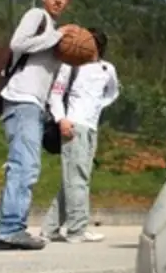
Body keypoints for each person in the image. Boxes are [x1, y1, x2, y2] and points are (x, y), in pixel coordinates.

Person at [0, 0, 74, 251]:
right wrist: (58, 36)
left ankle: (10, 228)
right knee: (24, 165)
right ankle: (10, 229)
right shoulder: (37, 16)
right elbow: (18, 43)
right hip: (21, 100)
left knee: (25, 165)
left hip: (33, 106)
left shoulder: (53, 32)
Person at [41, 27, 119, 243]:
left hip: (92, 127)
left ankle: (49, 229)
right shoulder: (70, 65)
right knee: (78, 180)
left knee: (75, 180)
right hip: (73, 125)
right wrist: (61, 119)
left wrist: (97, 107)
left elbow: (113, 92)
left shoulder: (107, 69)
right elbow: (55, 95)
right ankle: (77, 230)